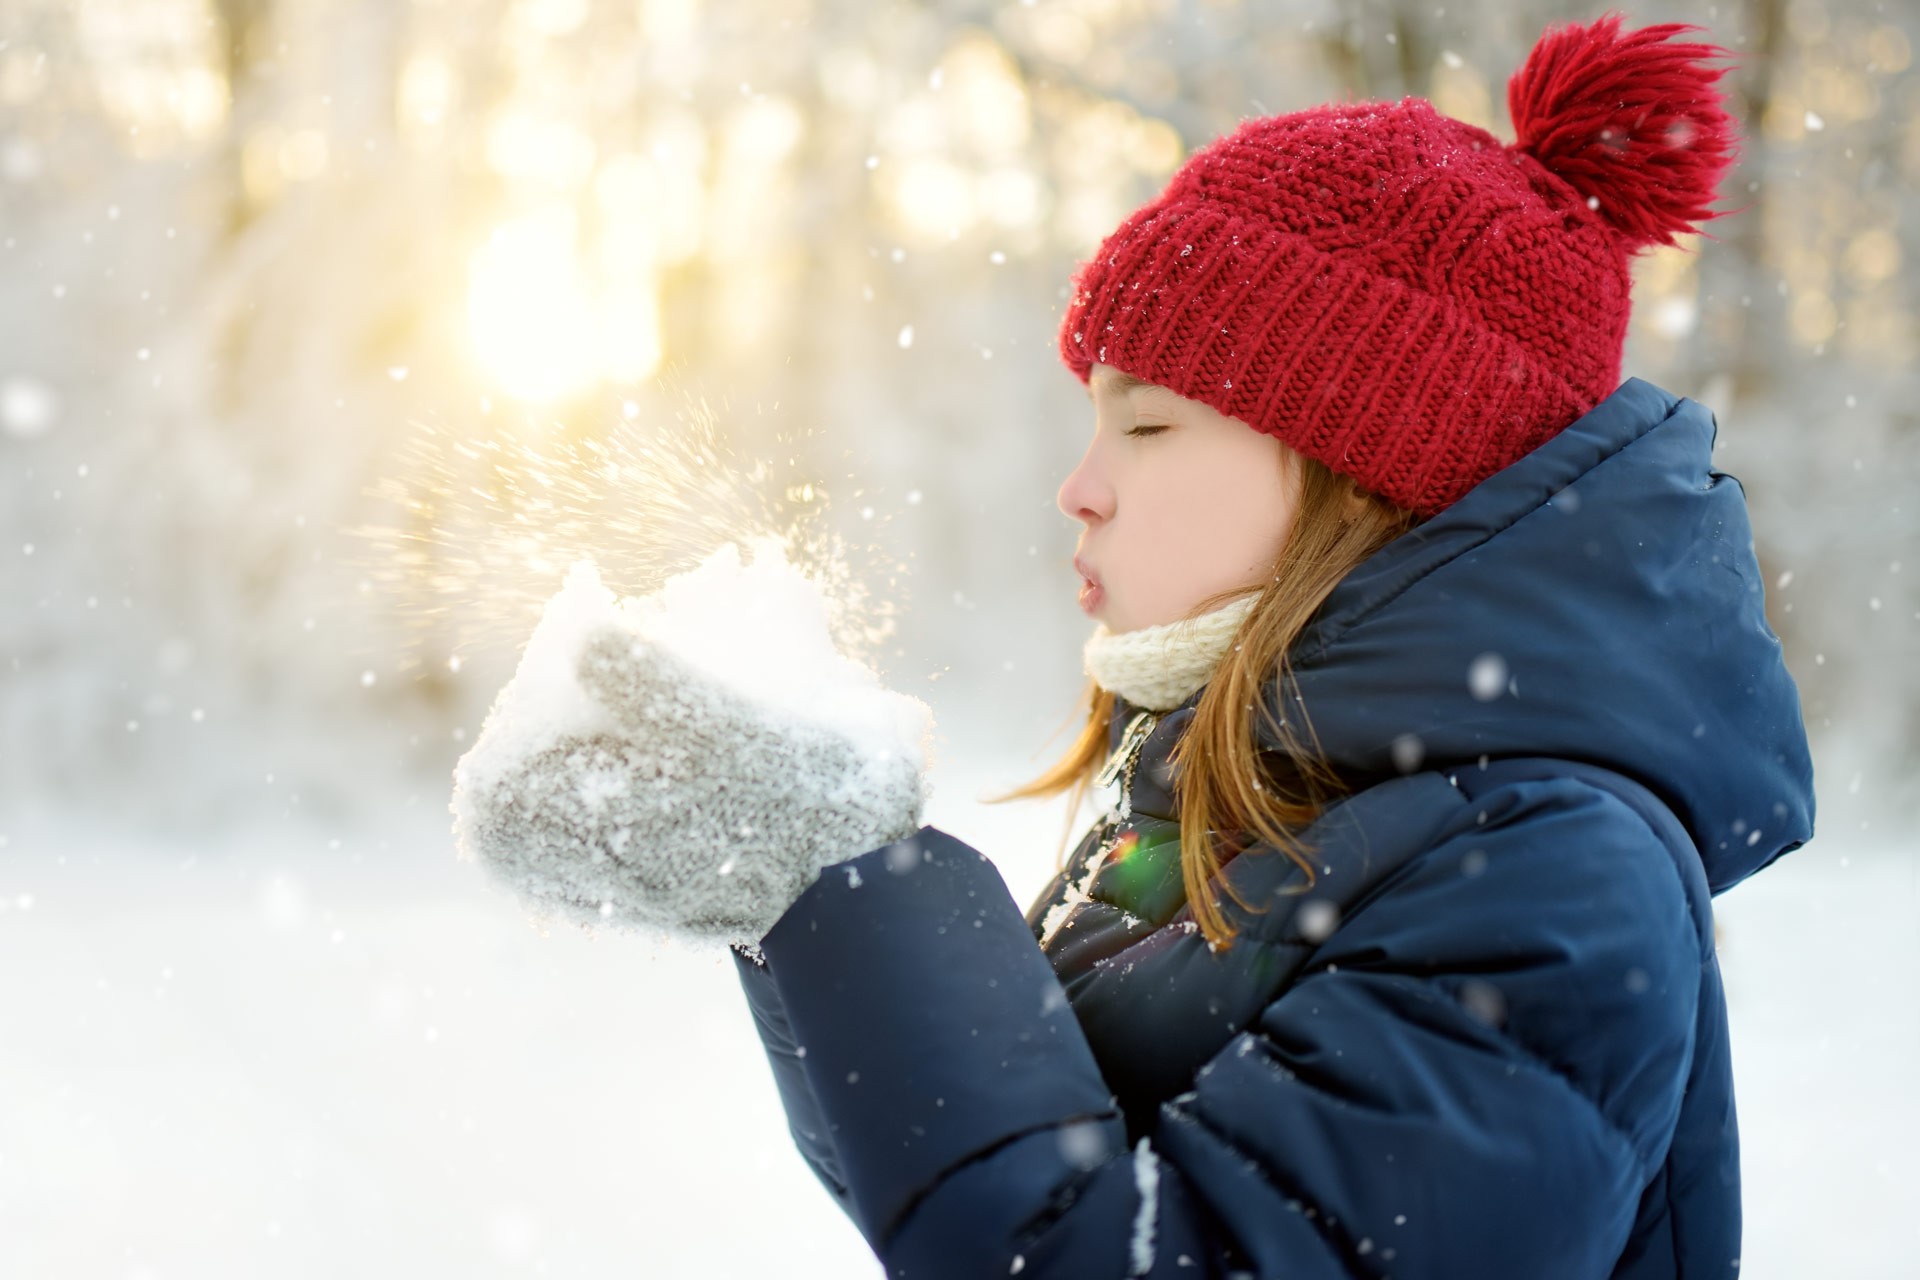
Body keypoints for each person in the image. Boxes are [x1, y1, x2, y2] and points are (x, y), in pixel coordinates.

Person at [456, 11, 1815, 1278]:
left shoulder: (1546, 874)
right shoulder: (1275, 803)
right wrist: (798, 914)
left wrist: (850, 878)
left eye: (1149, 425)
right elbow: (993, 1191)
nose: (1081, 484)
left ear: (1367, 465)